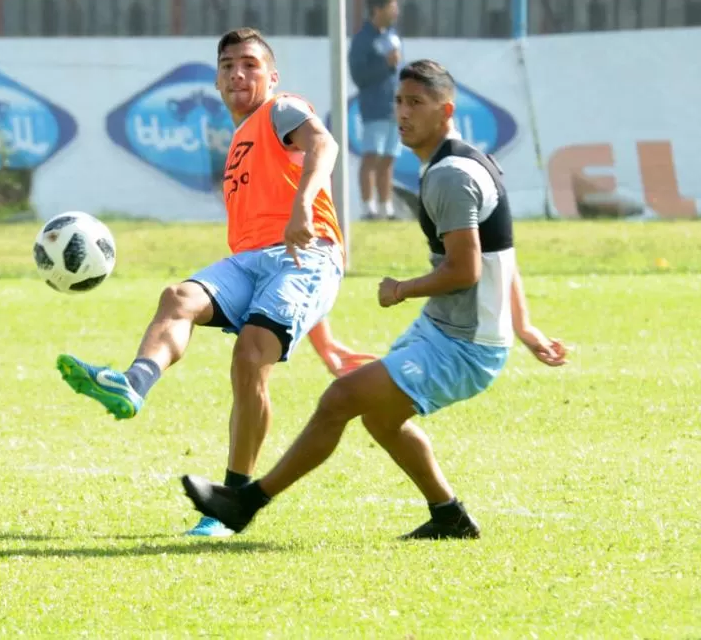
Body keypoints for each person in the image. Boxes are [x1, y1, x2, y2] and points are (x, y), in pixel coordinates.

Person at [181, 59, 568, 540]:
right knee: (383, 420)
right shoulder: (469, 160)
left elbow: (467, 269)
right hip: (447, 329)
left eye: (416, 103)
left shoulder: (450, 176)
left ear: (445, 111)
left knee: (339, 399)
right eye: (399, 102)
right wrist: (525, 328)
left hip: (466, 343)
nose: (403, 113)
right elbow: (500, 255)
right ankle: (448, 516)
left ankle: (245, 502)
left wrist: (401, 289)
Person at [56, 28, 375, 538]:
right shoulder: (238, 146)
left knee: (250, 354)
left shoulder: (281, 109)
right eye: (228, 65)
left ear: (272, 76)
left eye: (250, 64)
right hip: (255, 262)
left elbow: (325, 143)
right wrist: (326, 340)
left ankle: (227, 504)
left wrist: (302, 208)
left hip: (306, 252)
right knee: (178, 297)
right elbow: (287, 291)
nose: (237, 73)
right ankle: (133, 385)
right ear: (217, 79)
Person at [349, 0, 403, 220]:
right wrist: (385, 63)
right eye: (392, 6)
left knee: (389, 157)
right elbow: (358, 74)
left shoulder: (393, 35)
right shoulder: (363, 39)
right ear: (377, 10)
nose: (396, 11)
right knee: (371, 156)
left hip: (395, 106)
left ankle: (386, 207)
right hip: (374, 106)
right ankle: (368, 207)